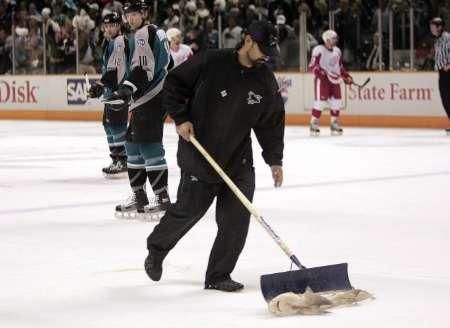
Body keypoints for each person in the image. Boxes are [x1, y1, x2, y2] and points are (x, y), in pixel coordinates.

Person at [145, 20, 285, 292]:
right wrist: (181, 118)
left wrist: (275, 158)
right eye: (263, 49)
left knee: (236, 219)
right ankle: (157, 249)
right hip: (201, 152)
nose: (267, 55)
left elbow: (271, 120)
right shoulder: (211, 62)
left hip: (238, 160)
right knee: (189, 211)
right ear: (248, 41)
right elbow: (173, 83)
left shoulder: (264, 78)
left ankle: (218, 274)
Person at [108, 0, 172, 220]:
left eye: (135, 13)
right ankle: (139, 196)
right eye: (128, 14)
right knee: (132, 146)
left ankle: (162, 198)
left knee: (149, 146)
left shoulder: (144, 33)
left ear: (145, 13)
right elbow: (168, 64)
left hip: (151, 98)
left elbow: (143, 70)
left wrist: (127, 89)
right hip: (146, 98)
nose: (131, 18)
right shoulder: (154, 32)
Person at [88, 11, 128, 178]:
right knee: (108, 124)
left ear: (119, 26)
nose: (110, 28)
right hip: (111, 90)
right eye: (107, 26)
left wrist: (102, 84)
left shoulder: (119, 42)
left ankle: (123, 160)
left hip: (118, 91)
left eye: (113, 25)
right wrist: (102, 86)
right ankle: (116, 158)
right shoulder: (111, 42)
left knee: (116, 125)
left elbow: (115, 69)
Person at [308, 29, 353, 136]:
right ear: (326, 39)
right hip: (322, 81)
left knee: (336, 102)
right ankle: (314, 123)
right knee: (320, 103)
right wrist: (320, 74)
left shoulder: (337, 51)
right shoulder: (318, 50)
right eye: (333, 39)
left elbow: (340, 67)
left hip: (335, 80)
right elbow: (313, 66)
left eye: (335, 38)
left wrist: (346, 75)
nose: (335, 40)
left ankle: (334, 123)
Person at [429, 17, 450, 135]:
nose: (431, 29)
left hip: (448, 71)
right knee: (445, 99)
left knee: (448, 98)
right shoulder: (437, 40)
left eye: (433, 27)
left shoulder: (447, 37)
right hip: (442, 72)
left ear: (440, 27)